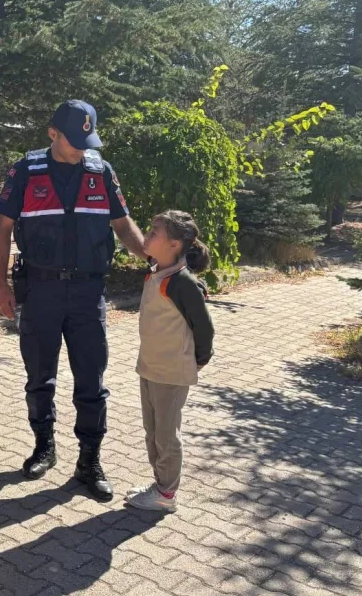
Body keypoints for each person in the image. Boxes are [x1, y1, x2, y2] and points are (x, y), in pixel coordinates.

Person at [0, 99, 146, 501]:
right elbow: (3, 229)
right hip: (40, 290)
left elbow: (122, 224)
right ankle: (44, 446)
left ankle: (89, 460)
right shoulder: (26, 171)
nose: (81, 149)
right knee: (39, 377)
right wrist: (1, 285)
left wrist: (151, 256)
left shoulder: (101, 171)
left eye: (86, 141)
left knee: (91, 381)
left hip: (87, 293)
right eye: (74, 140)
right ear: (52, 133)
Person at [123, 210, 214, 513]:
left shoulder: (181, 282)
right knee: (153, 432)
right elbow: (131, 239)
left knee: (166, 435)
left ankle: (166, 494)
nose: (147, 235)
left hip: (171, 373)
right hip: (150, 367)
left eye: (153, 232)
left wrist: (199, 360)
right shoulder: (157, 269)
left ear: (174, 244)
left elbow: (204, 328)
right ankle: (160, 485)